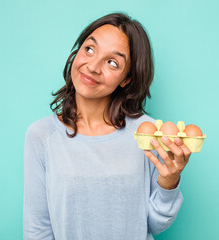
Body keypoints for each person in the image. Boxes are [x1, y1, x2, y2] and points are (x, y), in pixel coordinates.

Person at [23, 13, 191, 240]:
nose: (92, 67)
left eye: (113, 62)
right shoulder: (42, 135)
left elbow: (153, 224)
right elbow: (38, 230)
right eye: (89, 49)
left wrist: (169, 183)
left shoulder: (146, 133)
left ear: (127, 79)